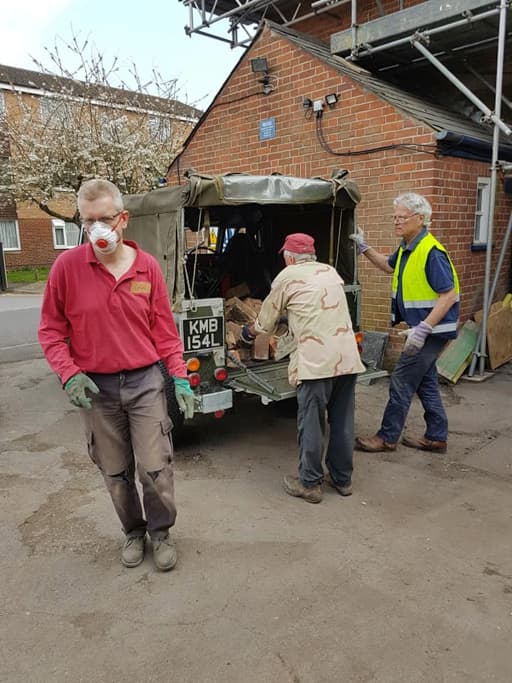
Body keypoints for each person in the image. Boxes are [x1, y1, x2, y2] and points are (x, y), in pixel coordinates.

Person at [38, 179, 194, 571]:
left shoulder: (147, 268)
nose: (98, 230)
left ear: (123, 219)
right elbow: (51, 331)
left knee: (155, 466)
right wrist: (69, 374)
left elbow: (164, 332)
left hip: (145, 383)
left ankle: (161, 532)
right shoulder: (67, 269)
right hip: (96, 389)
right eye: (89, 222)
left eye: (105, 219)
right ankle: (133, 531)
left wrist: (179, 378)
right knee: (115, 471)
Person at [241, 232, 365, 504]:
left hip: (315, 361)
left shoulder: (287, 276)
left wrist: (247, 333)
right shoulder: (330, 272)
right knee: (342, 422)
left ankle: (309, 483)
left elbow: (265, 323)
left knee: (311, 422)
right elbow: (313, 306)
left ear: (289, 256)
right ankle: (342, 480)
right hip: (346, 358)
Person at [350, 192, 459, 455]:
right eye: (394, 217)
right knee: (426, 381)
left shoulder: (431, 251)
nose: (396, 222)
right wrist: (364, 248)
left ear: (420, 219)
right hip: (427, 329)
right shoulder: (408, 247)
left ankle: (387, 437)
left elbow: (449, 294)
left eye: (402, 217)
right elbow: (388, 266)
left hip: (431, 330)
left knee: (401, 380)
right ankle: (436, 437)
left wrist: (423, 329)